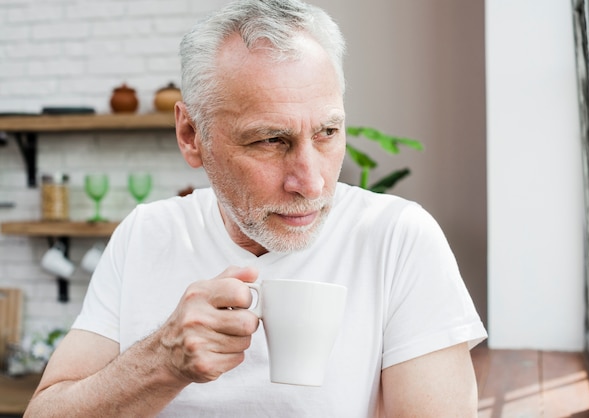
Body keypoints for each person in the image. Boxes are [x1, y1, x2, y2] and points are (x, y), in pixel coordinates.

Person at [25, 0, 487, 416]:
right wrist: (160, 363)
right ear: (191, 136)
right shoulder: (147, 233)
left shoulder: (397, 238)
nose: (312, 182)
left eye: (327, 133)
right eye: (270, 139)